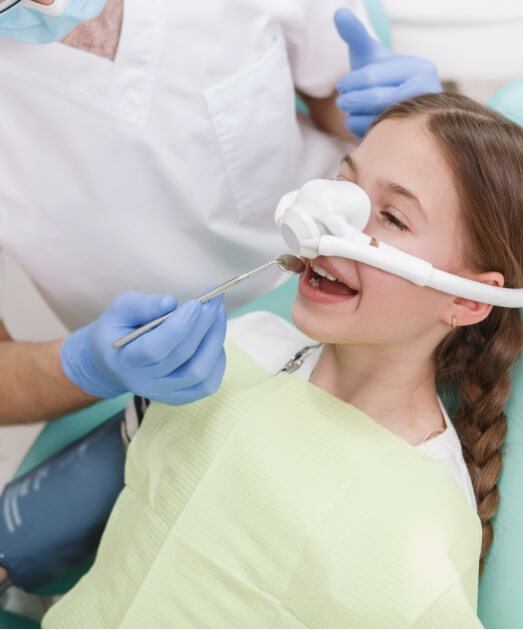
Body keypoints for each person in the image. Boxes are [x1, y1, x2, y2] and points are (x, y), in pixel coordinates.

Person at [27, 93, 520, 627]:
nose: (333, 223)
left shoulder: (420, 530)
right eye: (345, 186)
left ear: (468, 299)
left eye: (392, 217)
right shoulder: (241, 349)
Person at [0, 0, 440, 424]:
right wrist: (88, 366)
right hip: (172, 391)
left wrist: (397, 116)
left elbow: (335, 101)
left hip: (367, 296)